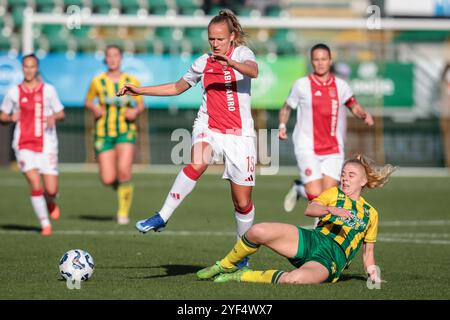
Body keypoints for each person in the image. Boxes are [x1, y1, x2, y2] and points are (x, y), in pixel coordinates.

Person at [117, 9, 258, 267]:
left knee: (242, 202)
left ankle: (241, 255)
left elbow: (253, 71)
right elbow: (176, 87)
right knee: (198, 161)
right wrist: (139, 91)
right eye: (211, 39)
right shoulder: (202, 62)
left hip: (240, 136)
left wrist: (232, 64)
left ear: (232, 37)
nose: (215, 44)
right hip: (209, 126)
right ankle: (163, 215)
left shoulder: (242, 54)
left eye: (219, 39)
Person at [197, 154, 395, 284]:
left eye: (351, 175)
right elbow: (310, 209)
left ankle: (241, 275)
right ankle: (224, 265)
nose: (345, 179)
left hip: (331, 259)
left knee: (295, 280)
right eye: (343, 174)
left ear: (363, 181)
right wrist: (330, 209)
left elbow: (368, 253)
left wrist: (374, 275)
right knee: (258, 231)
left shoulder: (371, 214)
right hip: (313, 240)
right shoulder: (334, 194)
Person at [279, 43, 374, 216]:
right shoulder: (301, 85)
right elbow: (287, 107)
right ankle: (304, 192)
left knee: (328, 197)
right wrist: (282, 126)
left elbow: (353, 105)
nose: (320, 63)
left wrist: (363, 114)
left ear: (330, 61)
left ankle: (300, 191)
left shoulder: (340, 86)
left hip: (333, 148)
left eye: (324, 59)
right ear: (312, 62)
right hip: (307, 146)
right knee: (315, 195)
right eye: (316, 59)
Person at [0, 54, 65, 236]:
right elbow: (2, 115)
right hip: (23, 145)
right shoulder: (14, 92)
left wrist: (54, 116)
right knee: (35, 183)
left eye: (32, 66)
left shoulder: (48, 90)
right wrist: (11, 117)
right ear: (22, 69)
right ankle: (45, 224)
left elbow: (61, 113)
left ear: (37, 68)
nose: (29, 70)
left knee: (51, 188)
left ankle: (50, 200)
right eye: (26, 67)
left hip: (47, 144)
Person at [85, 45, 145, 225]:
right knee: (108, 178)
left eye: (115, 55)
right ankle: (123, 189)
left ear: (120, 58)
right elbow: (88, 101)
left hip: (126, 131)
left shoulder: (131, 80)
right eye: (109, 56)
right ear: (105, 59)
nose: (112, 59)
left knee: (125, 171)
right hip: (103, 132)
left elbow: (140, 104)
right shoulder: (98, 81)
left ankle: (122, 213)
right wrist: (94, 107)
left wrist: (135, 113)